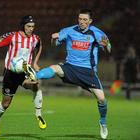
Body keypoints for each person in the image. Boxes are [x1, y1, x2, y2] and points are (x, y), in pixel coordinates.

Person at [25, 9, 111, 139]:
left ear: (90, 21)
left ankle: (103, 123)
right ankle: (32, 76)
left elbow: (109, 48)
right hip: (70, 67)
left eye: (85, 20)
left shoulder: (96, 33)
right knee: (55, 68)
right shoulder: (69, 30)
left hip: (88, 71)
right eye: (80, 19)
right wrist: (54, 39)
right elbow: (55, 44)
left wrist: (106, 46)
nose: (82, 22)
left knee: (102, 99)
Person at [0, 15, 46, 136]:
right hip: (10, 74)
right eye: (29, 26)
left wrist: (35, 62)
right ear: (23, 26)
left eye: (33, 27)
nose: (31, 29)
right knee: (6, 104)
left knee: (36, 85)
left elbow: (39, 46)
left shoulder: (35, 38)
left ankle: (39, 115)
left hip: (25, 72)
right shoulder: (12, 36)